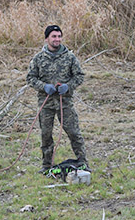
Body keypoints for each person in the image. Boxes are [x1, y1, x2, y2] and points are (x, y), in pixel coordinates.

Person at [26, 25, 88, 173]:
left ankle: (83, 162)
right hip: (46, 104)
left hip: (65, 102)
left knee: (73, 132)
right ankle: (47, 166)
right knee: (46, 135)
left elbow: (79, 76)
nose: (57, 39)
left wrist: (68, 86)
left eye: (59, 36)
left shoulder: (70, 57)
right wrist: (43, 86)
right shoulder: (39, 58)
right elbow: (30, 78)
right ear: (47, 38)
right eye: (54, 36)